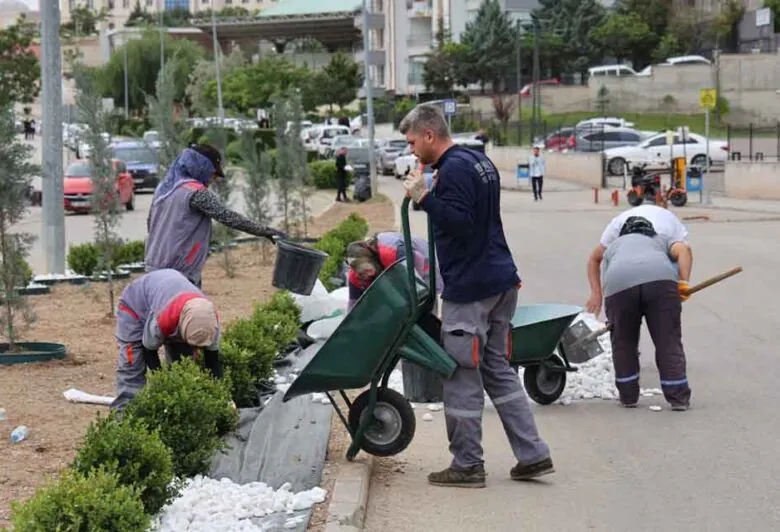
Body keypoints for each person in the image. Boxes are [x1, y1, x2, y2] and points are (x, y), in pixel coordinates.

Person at [399, 104, 553, 488]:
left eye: (413, 141)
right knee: (499, 370)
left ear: (430, 134)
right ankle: (533, 455)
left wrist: (425, 199)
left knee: (461, 374)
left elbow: (463, 225)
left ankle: (467, 465)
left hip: (471, 290)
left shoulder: (453, 170)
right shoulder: (476, 161)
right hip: (500, 281)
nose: (412, 150)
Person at [588, 216, 693, 411]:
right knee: (667, 339)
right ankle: (678, 396)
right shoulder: (659, 240)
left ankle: (628, 395)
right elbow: (683, 250)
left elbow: (599, 266)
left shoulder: (613, 246)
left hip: (619, 286)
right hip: (660, 282)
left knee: (623, 341)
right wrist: (683, 282)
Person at [144, 144, 286, 288]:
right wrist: (262, 230)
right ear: (201, 167)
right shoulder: (196, 193)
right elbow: (226, 216)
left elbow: (150, 223)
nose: (213, 179)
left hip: (153, 264)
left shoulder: (164, 188)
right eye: (212, 173)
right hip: (179, 270)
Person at [111, 269, 226, 411]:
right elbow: (149, 350)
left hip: (171, 298)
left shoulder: (211, 326)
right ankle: (124, 416)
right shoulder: (163, 320)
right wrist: (163, 386)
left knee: (182, 366)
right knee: (133, 363)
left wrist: (221, 398)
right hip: (135, 306)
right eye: (193, 345)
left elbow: (213, 362)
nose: (197, 351)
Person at [586, 203, 690, 316]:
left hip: (626, 276)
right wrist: (683, 283)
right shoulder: (616, 229)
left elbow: (594, 259)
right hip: (642, 274)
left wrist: (596, 294)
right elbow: (684, 251)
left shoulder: (667, 231)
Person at [345, 232, 443, 312]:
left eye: (368, 270)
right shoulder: (355, 275)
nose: (367, 274)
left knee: (424, 307)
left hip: (423, 265)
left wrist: (414, 290)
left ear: (371, 259)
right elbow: (353, 303)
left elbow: (418, 259)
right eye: (362, 273)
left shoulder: (390, 253)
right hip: (399, 272)